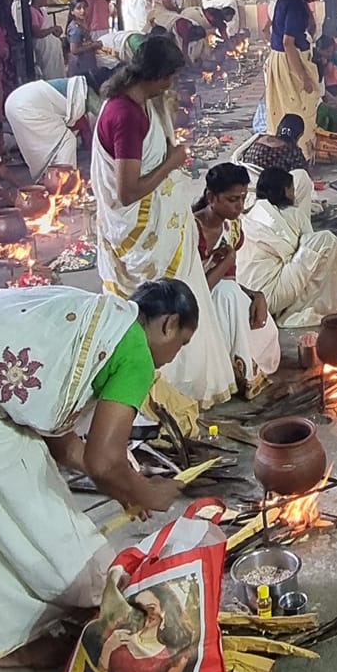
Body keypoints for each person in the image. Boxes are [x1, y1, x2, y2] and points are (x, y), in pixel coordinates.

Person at [0, 278, 199, 668]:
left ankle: (9, 637)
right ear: (168, 325)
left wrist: (124, 487)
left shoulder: (97, 321)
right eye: (181, 345)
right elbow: (103, 461)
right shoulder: (134, 352)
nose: (171, 358)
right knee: (31, 508)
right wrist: (149, 492)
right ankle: (90, 595)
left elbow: (66, 447)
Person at [90, 32, 235, 409]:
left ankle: (183, 386)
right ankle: (168, 393)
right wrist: (172, 163)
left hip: (164, 227)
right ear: (153, 75)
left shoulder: (143, 104)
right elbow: (127, 192)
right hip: (142, 234)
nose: (173, 83)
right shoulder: (125, 116)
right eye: (170, 76)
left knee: (187, 295)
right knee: (169, 303)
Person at [192, 163, 281, 392]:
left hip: (221, 296)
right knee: (228, 295)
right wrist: (227, 259)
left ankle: (240, 368)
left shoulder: (232, 229)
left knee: (264, 329)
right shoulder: (191, 230)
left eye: (243, 198)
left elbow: (230, 279)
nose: (240, 206)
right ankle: (233, 372)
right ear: (211, 197)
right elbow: (196, 289)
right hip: (190, 302)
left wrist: (255, 295)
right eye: (232, 199)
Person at [236, 168, 337, 329]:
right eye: (292, 189)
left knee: (298, 251)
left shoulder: (252, 213)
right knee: (325, 240)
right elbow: (311, 257)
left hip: (245, 298)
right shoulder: (294, 214)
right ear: (285, 191)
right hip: (266, 300)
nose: (295, 193)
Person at [265, 0, 331, 156]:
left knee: (284, 108)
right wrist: (303, 77)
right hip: (289, 61)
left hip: (281, 58)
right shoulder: (296, 6)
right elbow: (288, 43)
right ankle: (298, 155)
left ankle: (283, 153)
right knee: (300, 110)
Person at [5, 75, 92, 181]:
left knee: (48, 148)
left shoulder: (73, 99)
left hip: (15, 102)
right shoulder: (81, 97)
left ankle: (51, 180)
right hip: (25, 107)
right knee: (67, 141)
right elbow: (81, 130)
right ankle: (64, 182)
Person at [65, 0, 109, 91]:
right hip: (80, 66)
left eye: (85, 7)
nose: (82, 11)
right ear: (72, 11)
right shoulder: (75, 29)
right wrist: (93, 46)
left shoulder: (82, 24)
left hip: (87, 64)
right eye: (78, 8)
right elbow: (74, 50)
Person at [28, 0, 66, 80]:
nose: (46, 0)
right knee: (48, 72)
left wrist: (56, 31)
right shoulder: (32, 12)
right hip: (43, 47)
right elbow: (37, 33)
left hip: (52, 46)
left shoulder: (43, 10)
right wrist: (52, 29)